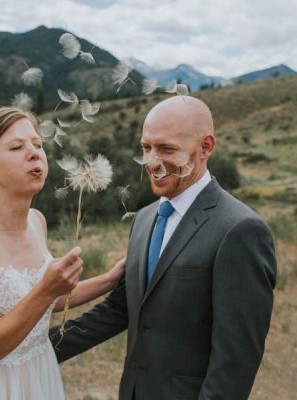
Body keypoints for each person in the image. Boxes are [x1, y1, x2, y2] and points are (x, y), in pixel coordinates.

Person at [50, 96, 277, 399]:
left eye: (167, 149)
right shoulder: (144, 219)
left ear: (206, 147)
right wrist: (33, 353)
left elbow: (234, 362)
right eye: (146, 148)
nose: (152, 161)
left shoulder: (240, 231)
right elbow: (122, 310)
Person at [0, 107, 125, 399]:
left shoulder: (36, 221)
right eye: (17, 147)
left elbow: (46, 299)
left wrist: (112, 278)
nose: (34, 153)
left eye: (38, 144)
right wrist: (46, 291)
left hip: (37, 376)